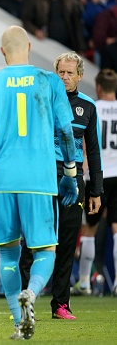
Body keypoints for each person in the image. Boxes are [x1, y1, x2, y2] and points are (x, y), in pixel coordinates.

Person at [0, 26, 78, 340]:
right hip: (39, 179)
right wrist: (70, 175)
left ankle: (18, 322)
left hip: (1, 179)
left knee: (9, 255)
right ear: (29, 46)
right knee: (46, 250)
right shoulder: (50, 81)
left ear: (2, 51)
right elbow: (66, 133)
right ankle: (33, 292)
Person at [20, 52, 103, 319]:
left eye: (70, 73)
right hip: (41, 175)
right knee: (33, 240)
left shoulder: (88, 106)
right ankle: (25, 301)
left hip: (73, 178)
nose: (65, 77)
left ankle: (60, 304)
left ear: (80, 75)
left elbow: (94, 150)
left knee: (67, 241)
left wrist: (96, 191)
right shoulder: (40, 100)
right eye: (61, 72)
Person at [74, 68, 117, 297]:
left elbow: (84, 144)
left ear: (98, 87)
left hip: (96, 176)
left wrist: (82, 170)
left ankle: (84, 282)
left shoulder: (93, 107)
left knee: (89, 228)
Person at [22, 0, 87, 53]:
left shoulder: (70, 1)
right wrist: (35, 31)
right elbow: (26, 20)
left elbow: (77, 26)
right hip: (44, 44)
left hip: (67, 45)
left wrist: (81, 48)